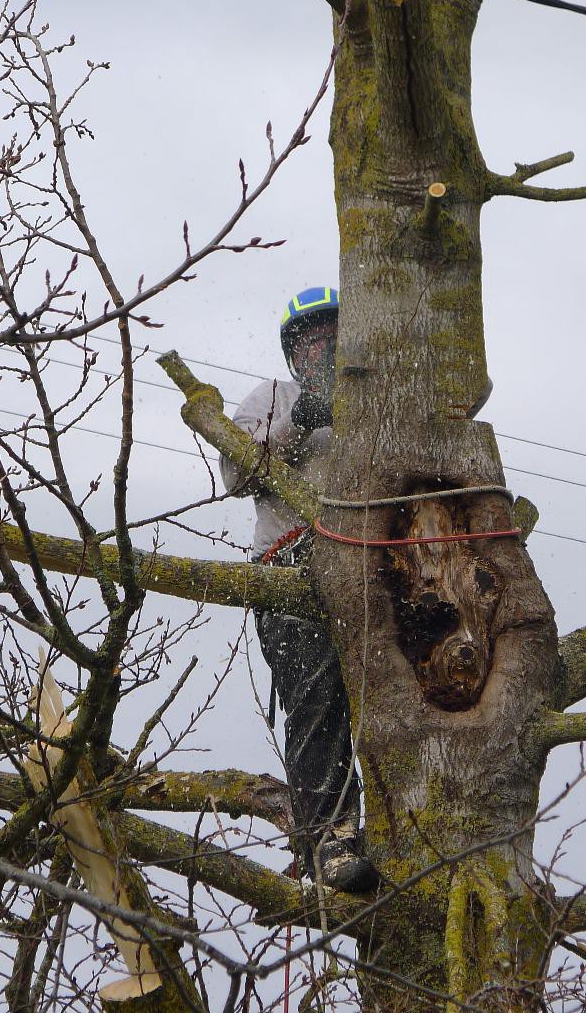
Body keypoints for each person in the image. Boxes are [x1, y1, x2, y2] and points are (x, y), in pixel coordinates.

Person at [220, 287, 378, 893]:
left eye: (333, 336)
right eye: (311, 339)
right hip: (290, 564)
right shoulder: (273, 398)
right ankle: (332, 837)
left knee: (400, 693)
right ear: (294, 352)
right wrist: (300, 419)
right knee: (316, 698)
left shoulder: (378, 404)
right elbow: (235, 474)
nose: (323, 348)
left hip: (372, 562)